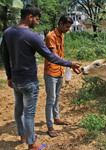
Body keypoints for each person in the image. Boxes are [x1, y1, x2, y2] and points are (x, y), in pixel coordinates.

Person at [1, 4, 81, 150]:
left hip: (16, 80)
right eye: (36, 19)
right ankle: (32, 144)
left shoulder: (7, 33)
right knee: (29, 113)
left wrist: (9, 77)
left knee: (18, 110)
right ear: (29, 17)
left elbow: (5, 57)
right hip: (29, 81)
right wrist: (70, 63)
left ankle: (23, 136)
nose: (37, 22)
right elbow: (51, 57)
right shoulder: (33, 36)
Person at [44, 15, 73, 137]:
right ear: (60, 23)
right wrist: (70, 64)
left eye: (69, 27)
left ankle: (56, 118)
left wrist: (66, 67)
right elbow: (54, 57)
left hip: (60, 71)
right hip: (51, 73)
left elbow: (60, 56)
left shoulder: (62, 36)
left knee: (56, 98)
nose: (67, 29)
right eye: (66, 26)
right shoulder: (51, 36)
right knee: (51, 99)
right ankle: (50, 126)